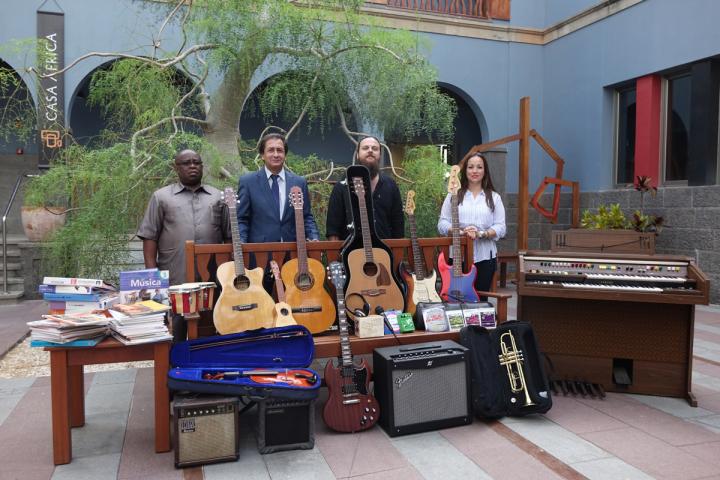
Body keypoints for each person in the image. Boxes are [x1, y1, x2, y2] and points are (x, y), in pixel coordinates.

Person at [137, 149, 231, 287]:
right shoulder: (161, 197)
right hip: (174, 271)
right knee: (177, 308)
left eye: (196, 163)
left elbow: (229, 236)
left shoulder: (218, 196)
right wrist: (152, 276)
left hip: (213, 272)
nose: (192, 166)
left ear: (202, 167)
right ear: (176, 168)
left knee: (212, 307)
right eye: (186, 163)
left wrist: (227, 270)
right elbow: (150, 237)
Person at [437, 151, 506, 294]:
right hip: (457, 256)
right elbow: (442, 223)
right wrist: (460, 232)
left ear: (485, 171)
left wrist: (481, 233)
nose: (475, 171)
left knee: (480, 298)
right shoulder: (453, 195)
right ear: (465, 170)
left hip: (485, 256)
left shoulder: (494, 197)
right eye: (471, 167)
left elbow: (501, 227)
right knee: (456, 298)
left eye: (479, 167)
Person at [236, 133, 319, 243]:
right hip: (260, 252)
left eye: (279, 150)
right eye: (271, 150)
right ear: (262, 155)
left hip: (293, 251)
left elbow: (307, 216)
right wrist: (241, 243)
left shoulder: (299, 182)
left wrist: (314, 237)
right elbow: (241, 219)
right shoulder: (248, 182)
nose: (276, 154)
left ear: (285, 155)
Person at [326, 136, 404, 240]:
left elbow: (398, 226)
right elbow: (333, 229)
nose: (370, 150)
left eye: (375, 148)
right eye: (365, 148)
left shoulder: (391, 185)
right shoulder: (342, 186)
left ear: (380, 155)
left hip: (384, 253)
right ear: (358, 155)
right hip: (351, 253)